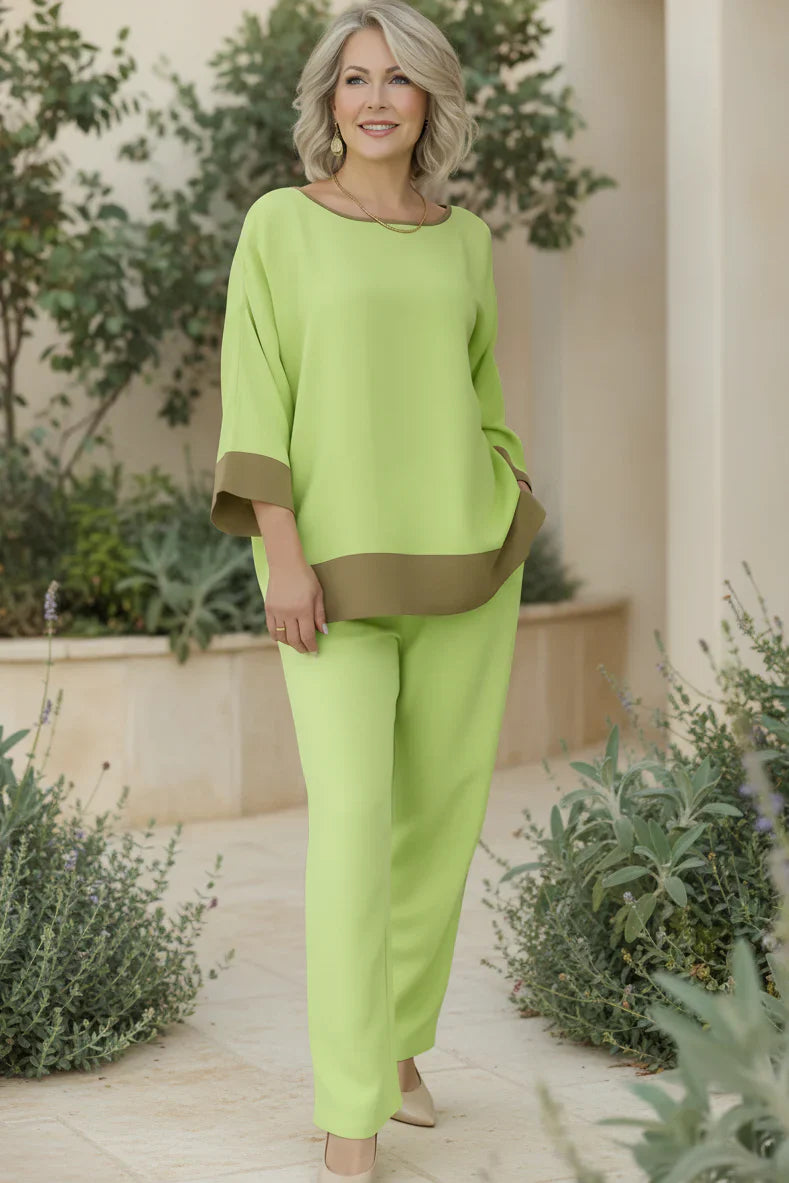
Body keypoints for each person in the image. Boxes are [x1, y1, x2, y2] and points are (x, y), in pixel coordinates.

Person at [209, 3, 547, 1178]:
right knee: (354, 821)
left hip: (464, 562)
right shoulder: (281, 225)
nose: (376, 98)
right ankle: (350, 1109)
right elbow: (257, 388)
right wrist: (284, 551)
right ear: (328, 100)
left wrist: (508, 487)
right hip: (327, 574)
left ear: (430, 99)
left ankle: (398, 1046)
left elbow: (480, 390)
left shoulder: (465, 241)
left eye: (399, 79)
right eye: (355, 78)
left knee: (437, 825)